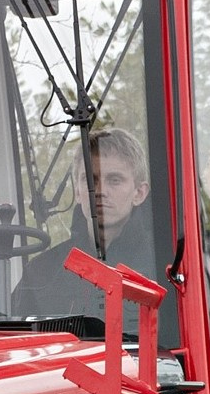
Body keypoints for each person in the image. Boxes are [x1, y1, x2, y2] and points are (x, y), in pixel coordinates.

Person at [12, 126, 163, 314]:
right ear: (77, 192)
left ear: (139, 193)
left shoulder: (165, 268)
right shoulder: (40, 274)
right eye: (90, 181)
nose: (99, 192)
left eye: (114, 180)